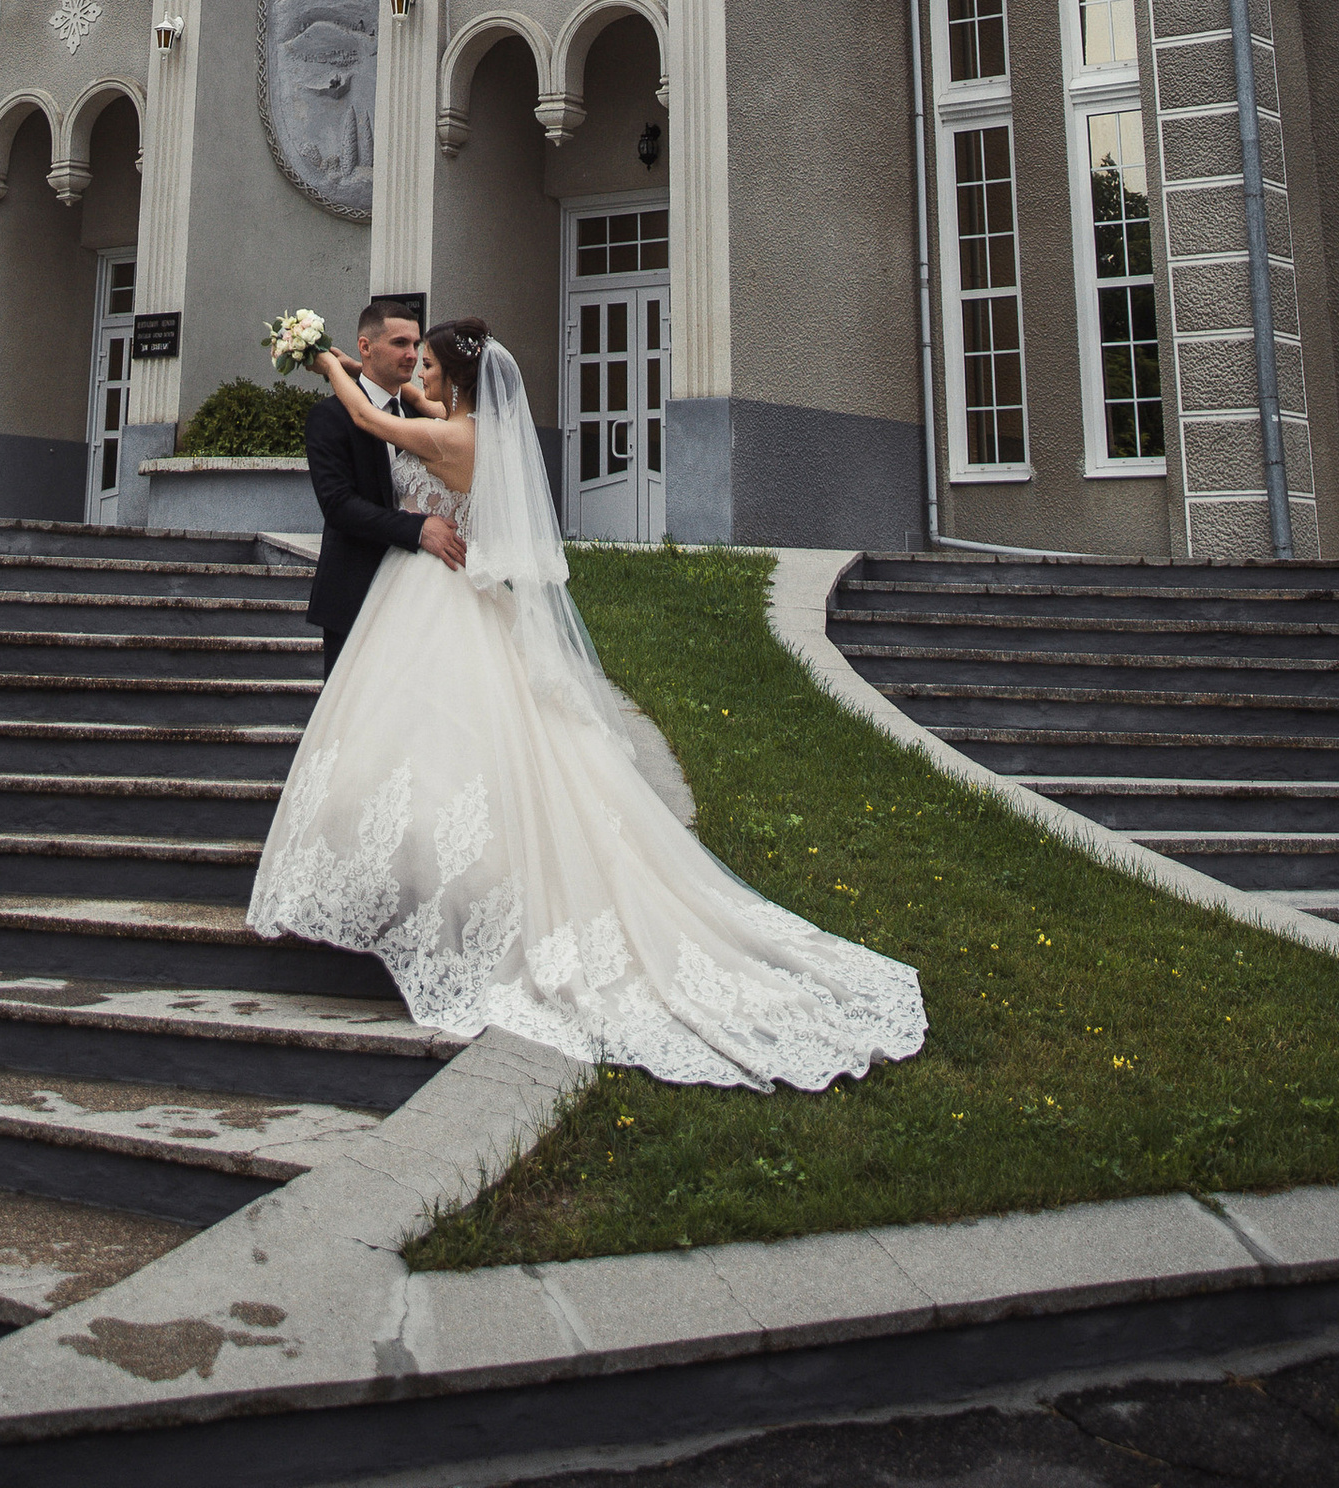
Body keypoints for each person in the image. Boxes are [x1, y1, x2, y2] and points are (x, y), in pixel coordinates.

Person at [250, 317, 925, 1093]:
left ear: (455, 378)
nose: (417, 372)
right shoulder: (458, 423)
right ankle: (400, 894)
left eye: (427, 361)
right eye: (411, 357)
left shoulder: (452, 436)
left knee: (446, 750)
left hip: (436, 596)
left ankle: (449, 909)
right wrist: (345, 366)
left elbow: (373, 418)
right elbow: (385, 421)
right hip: (420, 596)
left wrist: (320, 359)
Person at [301, 293, 466, 678]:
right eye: (400, 343)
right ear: (366, 347)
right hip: (355, 590)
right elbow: (338, 505)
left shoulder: (422, 413)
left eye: (416, 345)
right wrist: (418, 529)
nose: (412, 354)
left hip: (423, 595)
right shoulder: (329, 417)